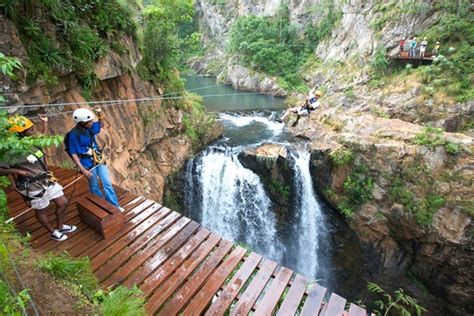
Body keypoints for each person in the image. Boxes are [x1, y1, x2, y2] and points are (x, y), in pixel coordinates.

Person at [0, 115, 76, 241]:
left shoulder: (31, 142)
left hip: (46, 179)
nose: (33, 131)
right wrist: (18, 171)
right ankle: (52, 232)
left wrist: (44, 123)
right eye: (30, 129)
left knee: (62, 202)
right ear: (20, 134)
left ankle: (61, 226)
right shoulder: (10, 151)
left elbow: (43, 140)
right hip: (31, 185)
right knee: (41, 210)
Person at [66, 107, 123, 211]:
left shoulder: (90, 128)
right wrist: (83, 170)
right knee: (94, 186)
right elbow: (73, 153)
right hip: (86, 162)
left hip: (98, 159)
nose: (92, 123)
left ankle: (115, 206)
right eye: (90, 121)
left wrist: (99, 112)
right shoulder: (74, 135)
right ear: (82, 123)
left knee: (107, 183)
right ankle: (102, 205)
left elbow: (101, 124)